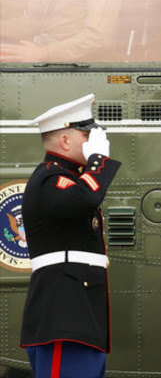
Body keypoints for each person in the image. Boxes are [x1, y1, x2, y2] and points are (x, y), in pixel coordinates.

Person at [20, 94, 121, 377]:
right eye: (86, 135)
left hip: (79, 315)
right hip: (64, 314)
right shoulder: (49, 179)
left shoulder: (67, 179)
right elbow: (84, 199)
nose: (93, 141)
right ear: (65, 141)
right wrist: (98, 160)